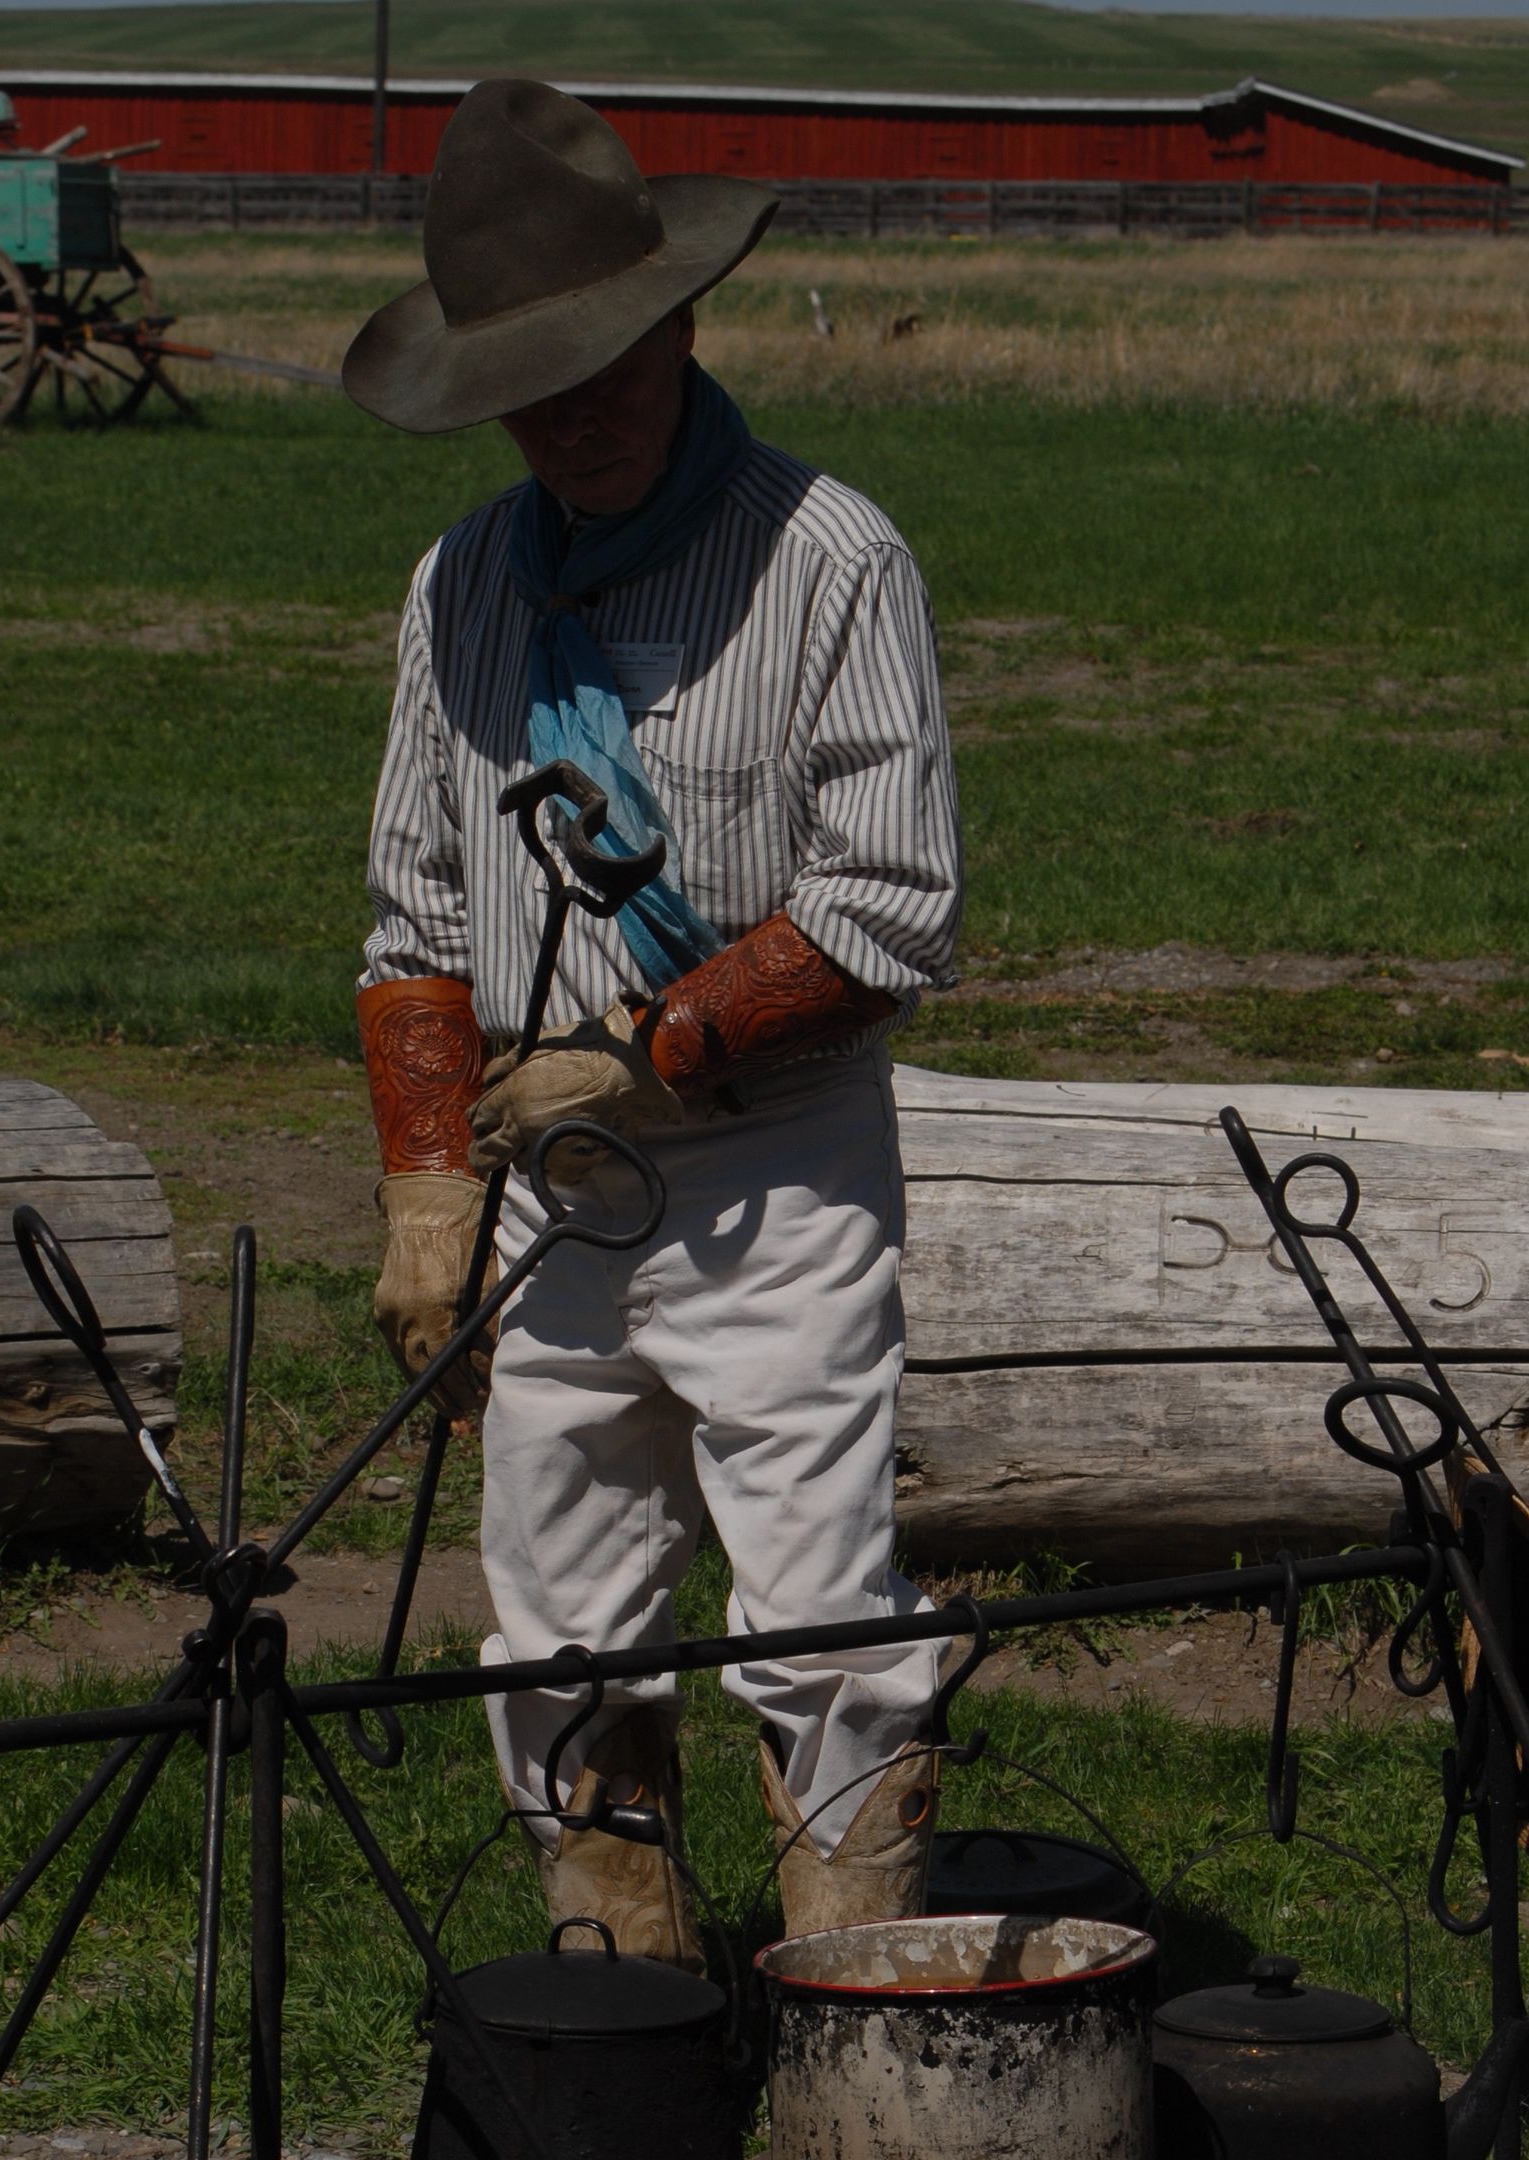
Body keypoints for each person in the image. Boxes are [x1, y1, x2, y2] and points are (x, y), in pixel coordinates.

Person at [343, 77, 963, 1964]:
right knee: (557, 1628)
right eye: (535, 383)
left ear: (685, 320)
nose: (582, 411)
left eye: (607, 360)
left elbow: (887, 903)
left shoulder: (829, 557)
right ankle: (633, 2057)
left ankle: (869, 2071)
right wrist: (432, 1193)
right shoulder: (464, 585)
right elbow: (416, 917)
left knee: (820, 1626)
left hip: (775, 1173)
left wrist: (651, 1048)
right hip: (557, 1201)